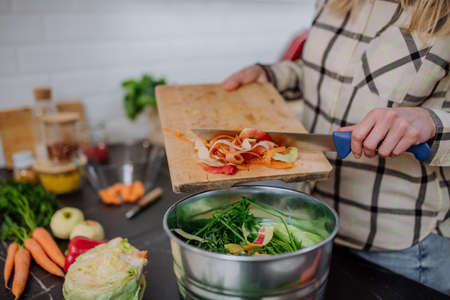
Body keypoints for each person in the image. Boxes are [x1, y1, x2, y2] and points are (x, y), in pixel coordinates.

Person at [223, 0, 450, 295]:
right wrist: (272, 77)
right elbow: (320, 73)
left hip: (402, 250)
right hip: (308, 224)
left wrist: (431, 123)